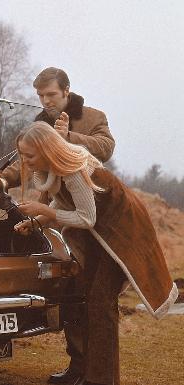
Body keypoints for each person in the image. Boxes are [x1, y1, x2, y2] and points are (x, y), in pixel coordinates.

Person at [13, 121, 177, 385]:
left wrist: (44, 212)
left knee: (101, 302)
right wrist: (36, 222)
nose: (25, 160)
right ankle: (80, 370)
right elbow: (65, 202)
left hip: (121, 229)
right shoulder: (54, 171)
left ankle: (101, 379)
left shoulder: (74, 170)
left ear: (46, 150)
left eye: (29, 155)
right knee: (82, 296)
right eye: (22, 154)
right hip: (98, 231)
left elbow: (86, 217)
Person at [2, 67, 116, 385]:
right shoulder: (39, 124)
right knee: (69, 294)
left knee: (92, 298)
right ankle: (78, 367)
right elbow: (23, 159)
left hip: (92, 221)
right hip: (59, 211)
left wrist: (68, 139)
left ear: (67, 90)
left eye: (51, 94)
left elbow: (106, 147)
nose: (46, 100)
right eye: (40, 96)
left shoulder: (93, 116)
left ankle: (93, 372)